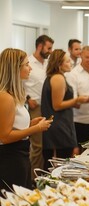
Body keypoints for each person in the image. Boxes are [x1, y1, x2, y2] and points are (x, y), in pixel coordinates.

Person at [0, 48, 52, 190]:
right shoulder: (6, 97)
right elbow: (4, 136)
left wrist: (29, 124)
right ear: (15, 69)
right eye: (26, 64)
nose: (30, 68)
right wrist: (34, 129)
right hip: (10, 157)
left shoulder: (13, 94)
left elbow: (11, 125)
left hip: (20, 154)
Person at [41, 49, 89, 168]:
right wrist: (77, 100)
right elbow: (57, 105)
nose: (71, 63)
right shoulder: (58, 78)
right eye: (68, 61)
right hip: (59, 126)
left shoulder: (55, 77)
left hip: (60, 123)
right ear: (59, 64)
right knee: (60, 163)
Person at [23, 34, 54, 179]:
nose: (50, 51)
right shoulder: (28, 63)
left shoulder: (47, 63)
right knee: (37, 146)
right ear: (40, 46)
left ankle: (43, 175)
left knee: (47, 145)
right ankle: (33, 178)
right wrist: (28, 98)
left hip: (49, 107)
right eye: (48, 48)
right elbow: (19, 83)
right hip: (36, 107)